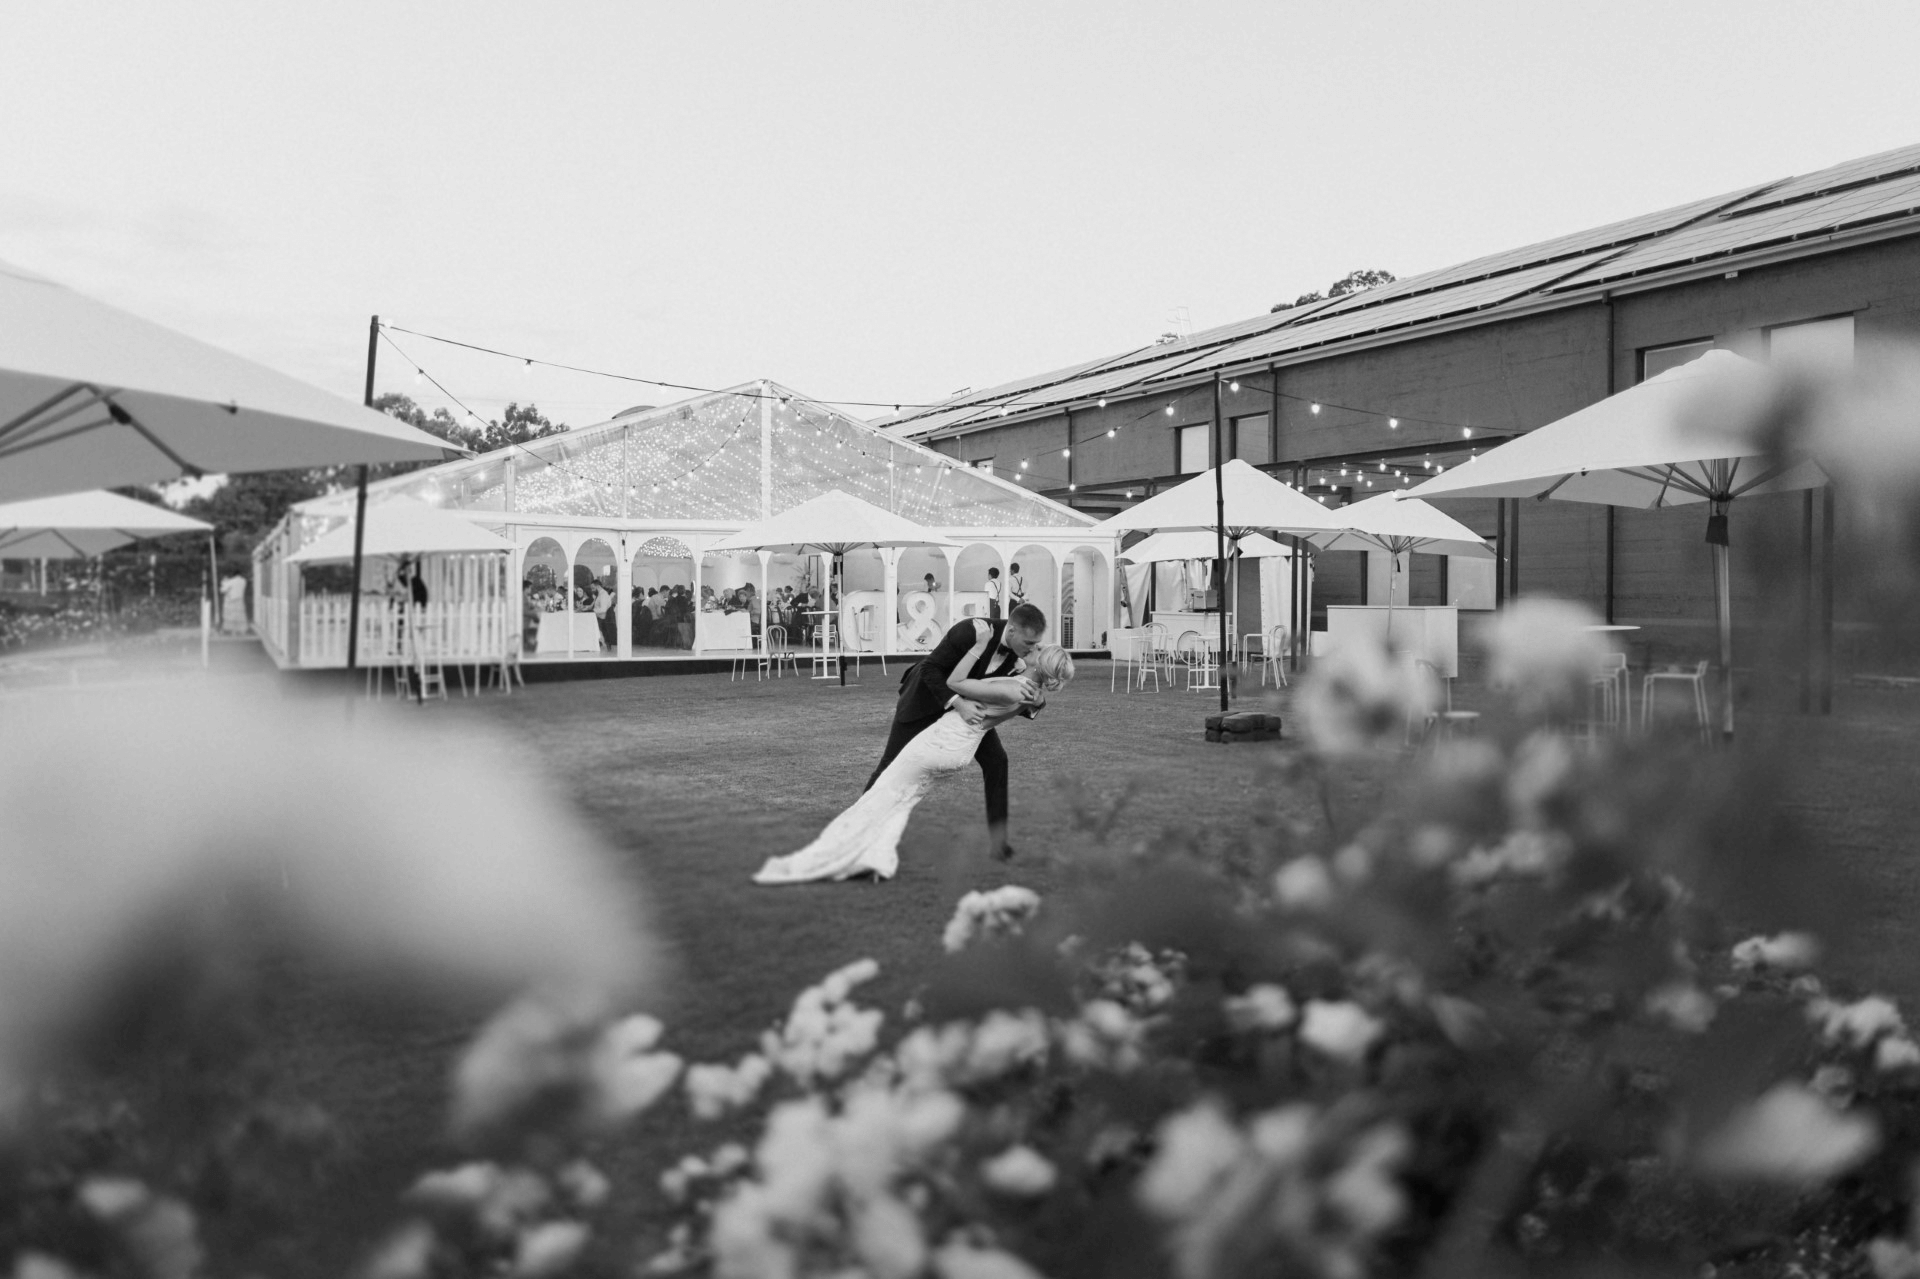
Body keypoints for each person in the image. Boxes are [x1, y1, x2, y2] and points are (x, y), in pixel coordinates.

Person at [754, 638, 1072, 884]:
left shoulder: (1014, 689)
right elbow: (1025, 699)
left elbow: (955, 683)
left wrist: (975, 648)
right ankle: (876, 862)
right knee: (900, 800)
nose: (1033, 647)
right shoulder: (1028, 690)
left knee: (881, 796)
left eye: (1039, 648)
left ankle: (833, 858)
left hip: (944, 742)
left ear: (1041, 662)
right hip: (956, 747)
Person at [863, 601, 1049, 864]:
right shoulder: (970, 632)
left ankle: (999, 843)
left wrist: (1037, 702)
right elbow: (929, 668)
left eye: (1036, 644)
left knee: (997, 762)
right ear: (1013, 631)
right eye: (1030, 644)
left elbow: (1002, 697)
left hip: (966, 717)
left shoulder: (1020, 657)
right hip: (926, 700)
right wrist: (957, 703)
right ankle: (860, 834)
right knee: (889, 765)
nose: (1034, 649)